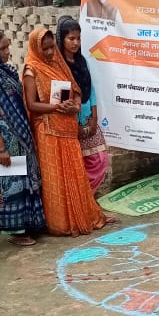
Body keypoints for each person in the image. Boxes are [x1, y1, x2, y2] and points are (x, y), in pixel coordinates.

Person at [23, 28, 114, 237]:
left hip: (67, 129)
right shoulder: (31, 69)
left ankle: (82, 215)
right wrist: (56, 107)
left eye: (51, 47)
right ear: (36, 48)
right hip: (48, 132)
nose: (49, 52)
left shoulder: (59, 65)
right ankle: (61, 224)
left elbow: (76, 90)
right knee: (55, 179)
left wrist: (75, 106)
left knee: (75, 174)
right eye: (45, 49)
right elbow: (31, 104)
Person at [0, 30, 46, 245]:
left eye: (7, 47)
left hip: (18, 134)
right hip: (1, 136)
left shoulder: (8, 72)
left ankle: (29, 224)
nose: (7, 51)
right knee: (9, 183)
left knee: (23, 180)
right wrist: (1, 147)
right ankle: (16, 230)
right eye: (2, 48)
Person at [57, 16, 109, 191]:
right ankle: (81, 197)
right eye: (71, 38)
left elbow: (91, 89)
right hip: (70, 120)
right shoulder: (59, 66)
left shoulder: (81, 61)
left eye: (78, 38)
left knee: (100, 159)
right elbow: (62, 99)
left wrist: (94, 117)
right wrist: (74, 123)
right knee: (77, 163)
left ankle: (88, 194)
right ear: (62, 39)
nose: (76, 43)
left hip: (88, 116)